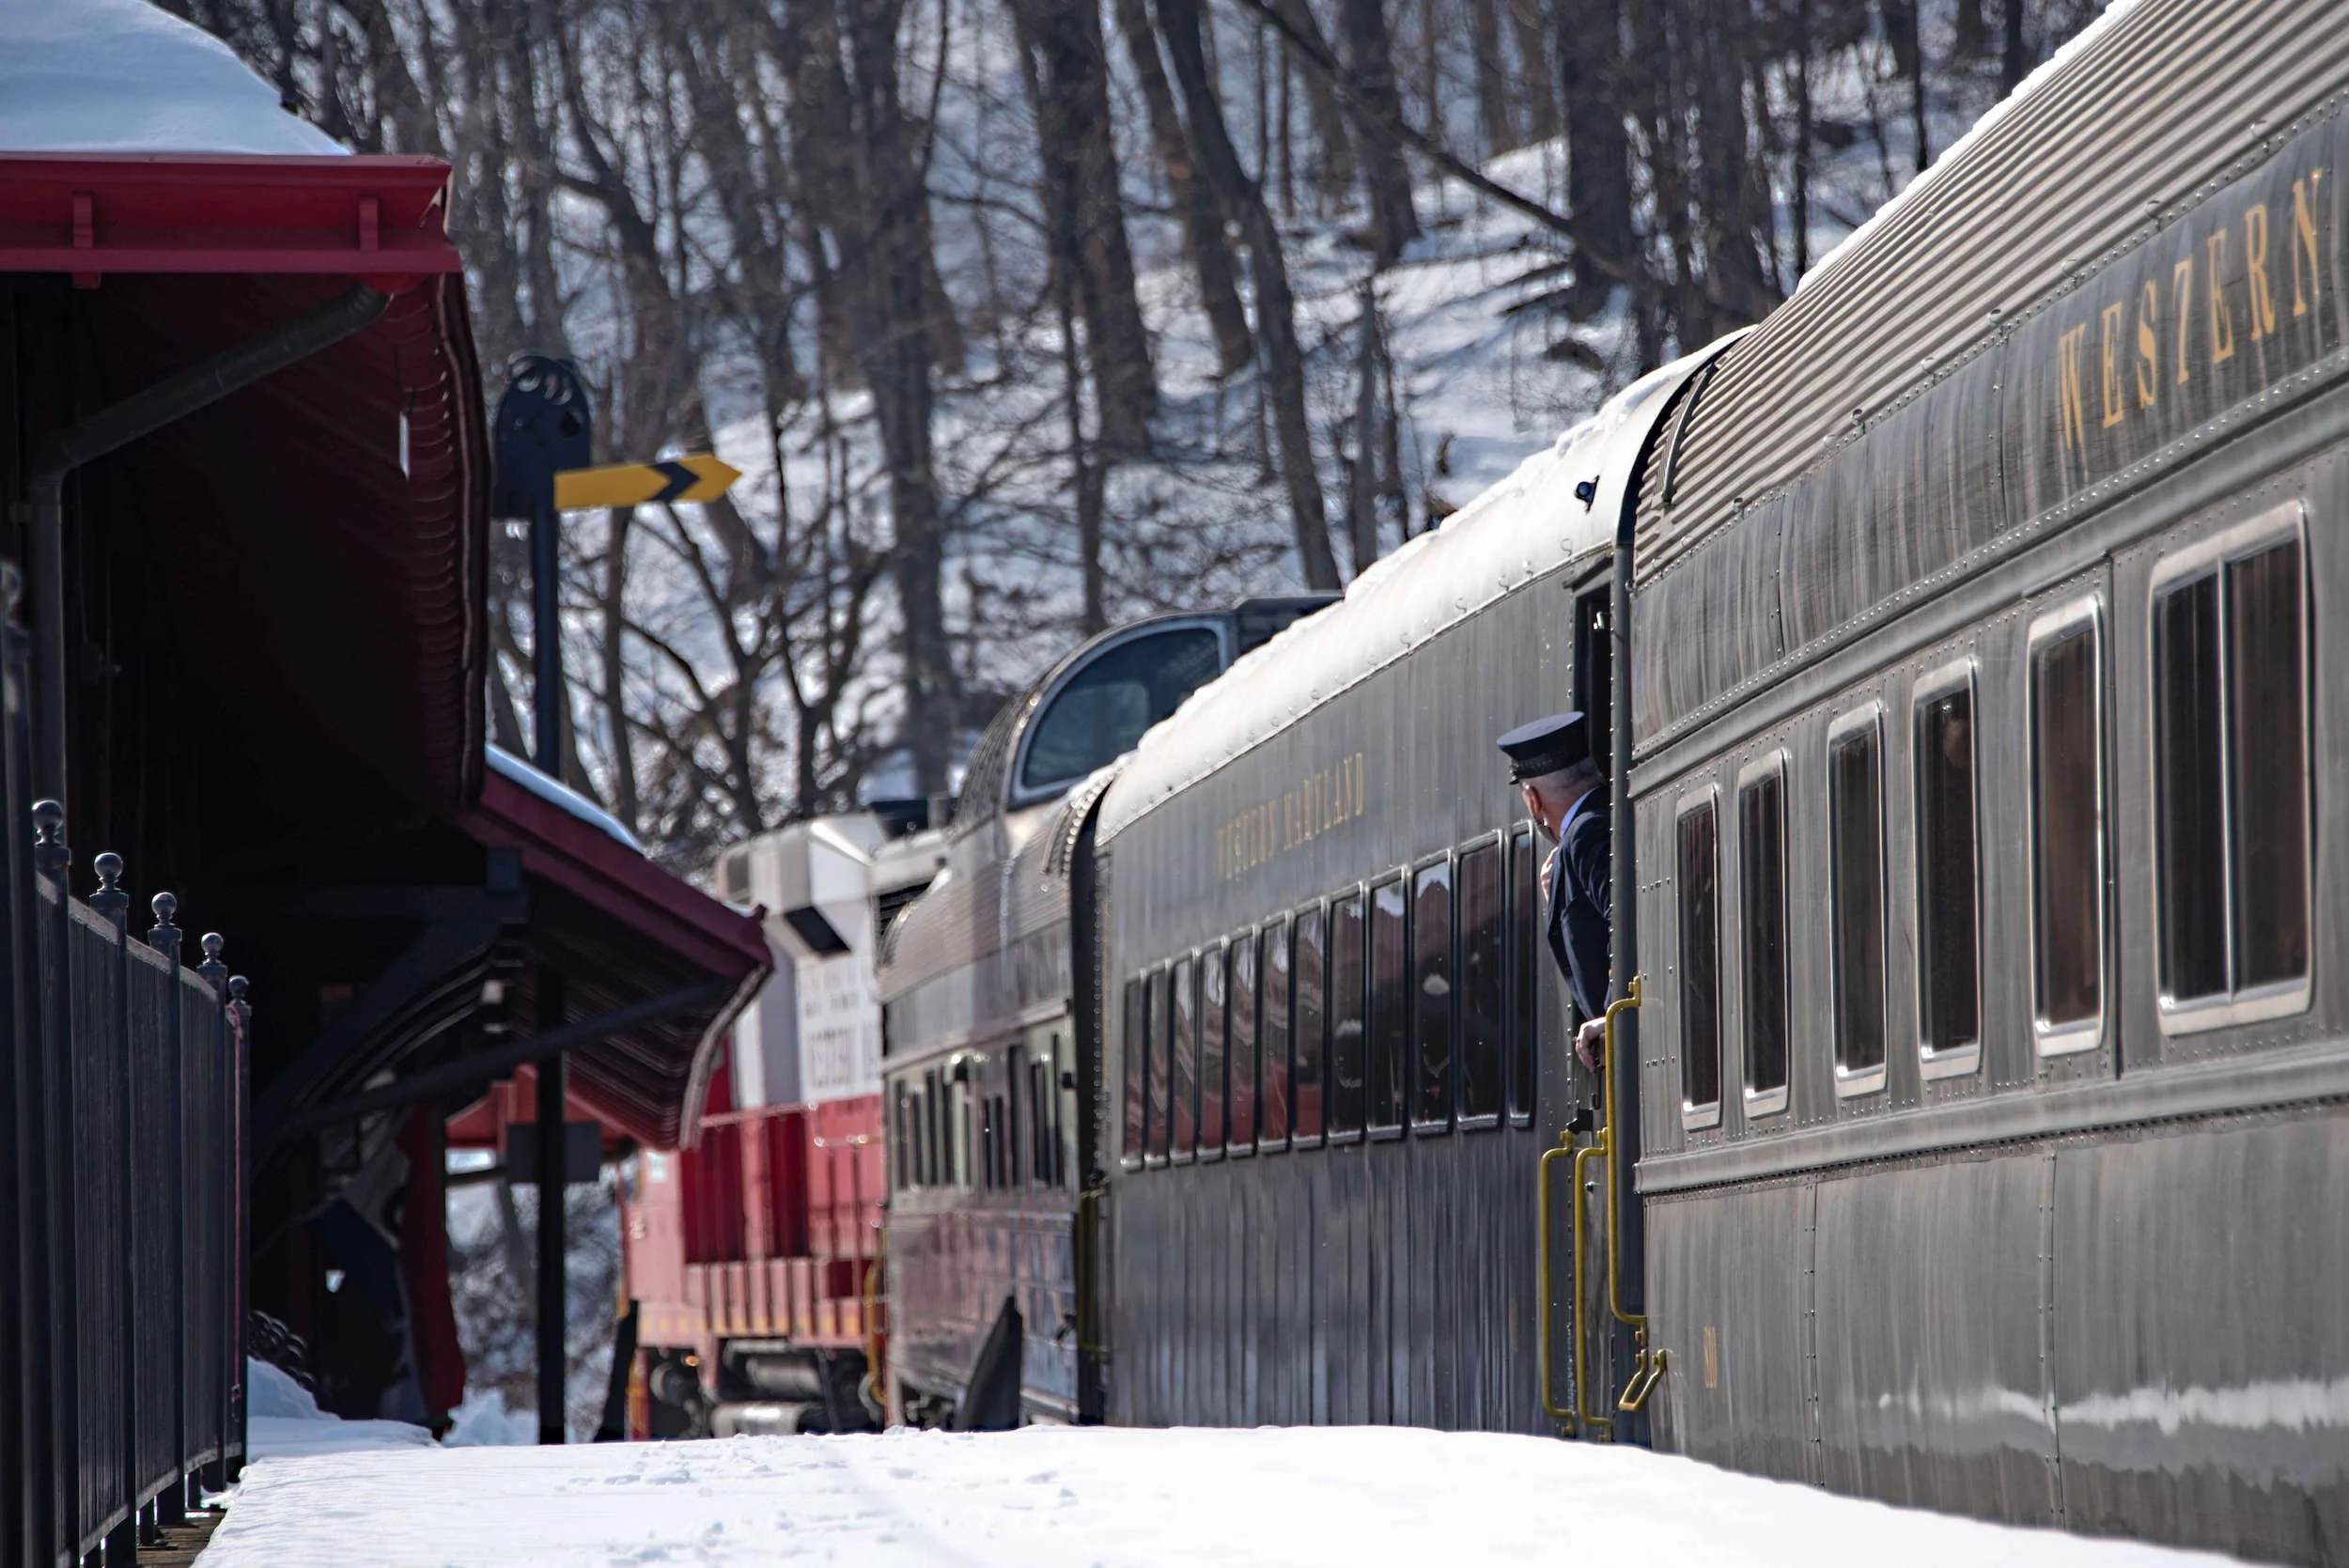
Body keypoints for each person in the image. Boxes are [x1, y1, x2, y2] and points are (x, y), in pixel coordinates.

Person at [1496, 711, 1612, 1072]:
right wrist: (1560, 898)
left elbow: (1629, 918)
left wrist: (1613, 1014)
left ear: (1533, 799)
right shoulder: (1601, 818)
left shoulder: (1585, 834)